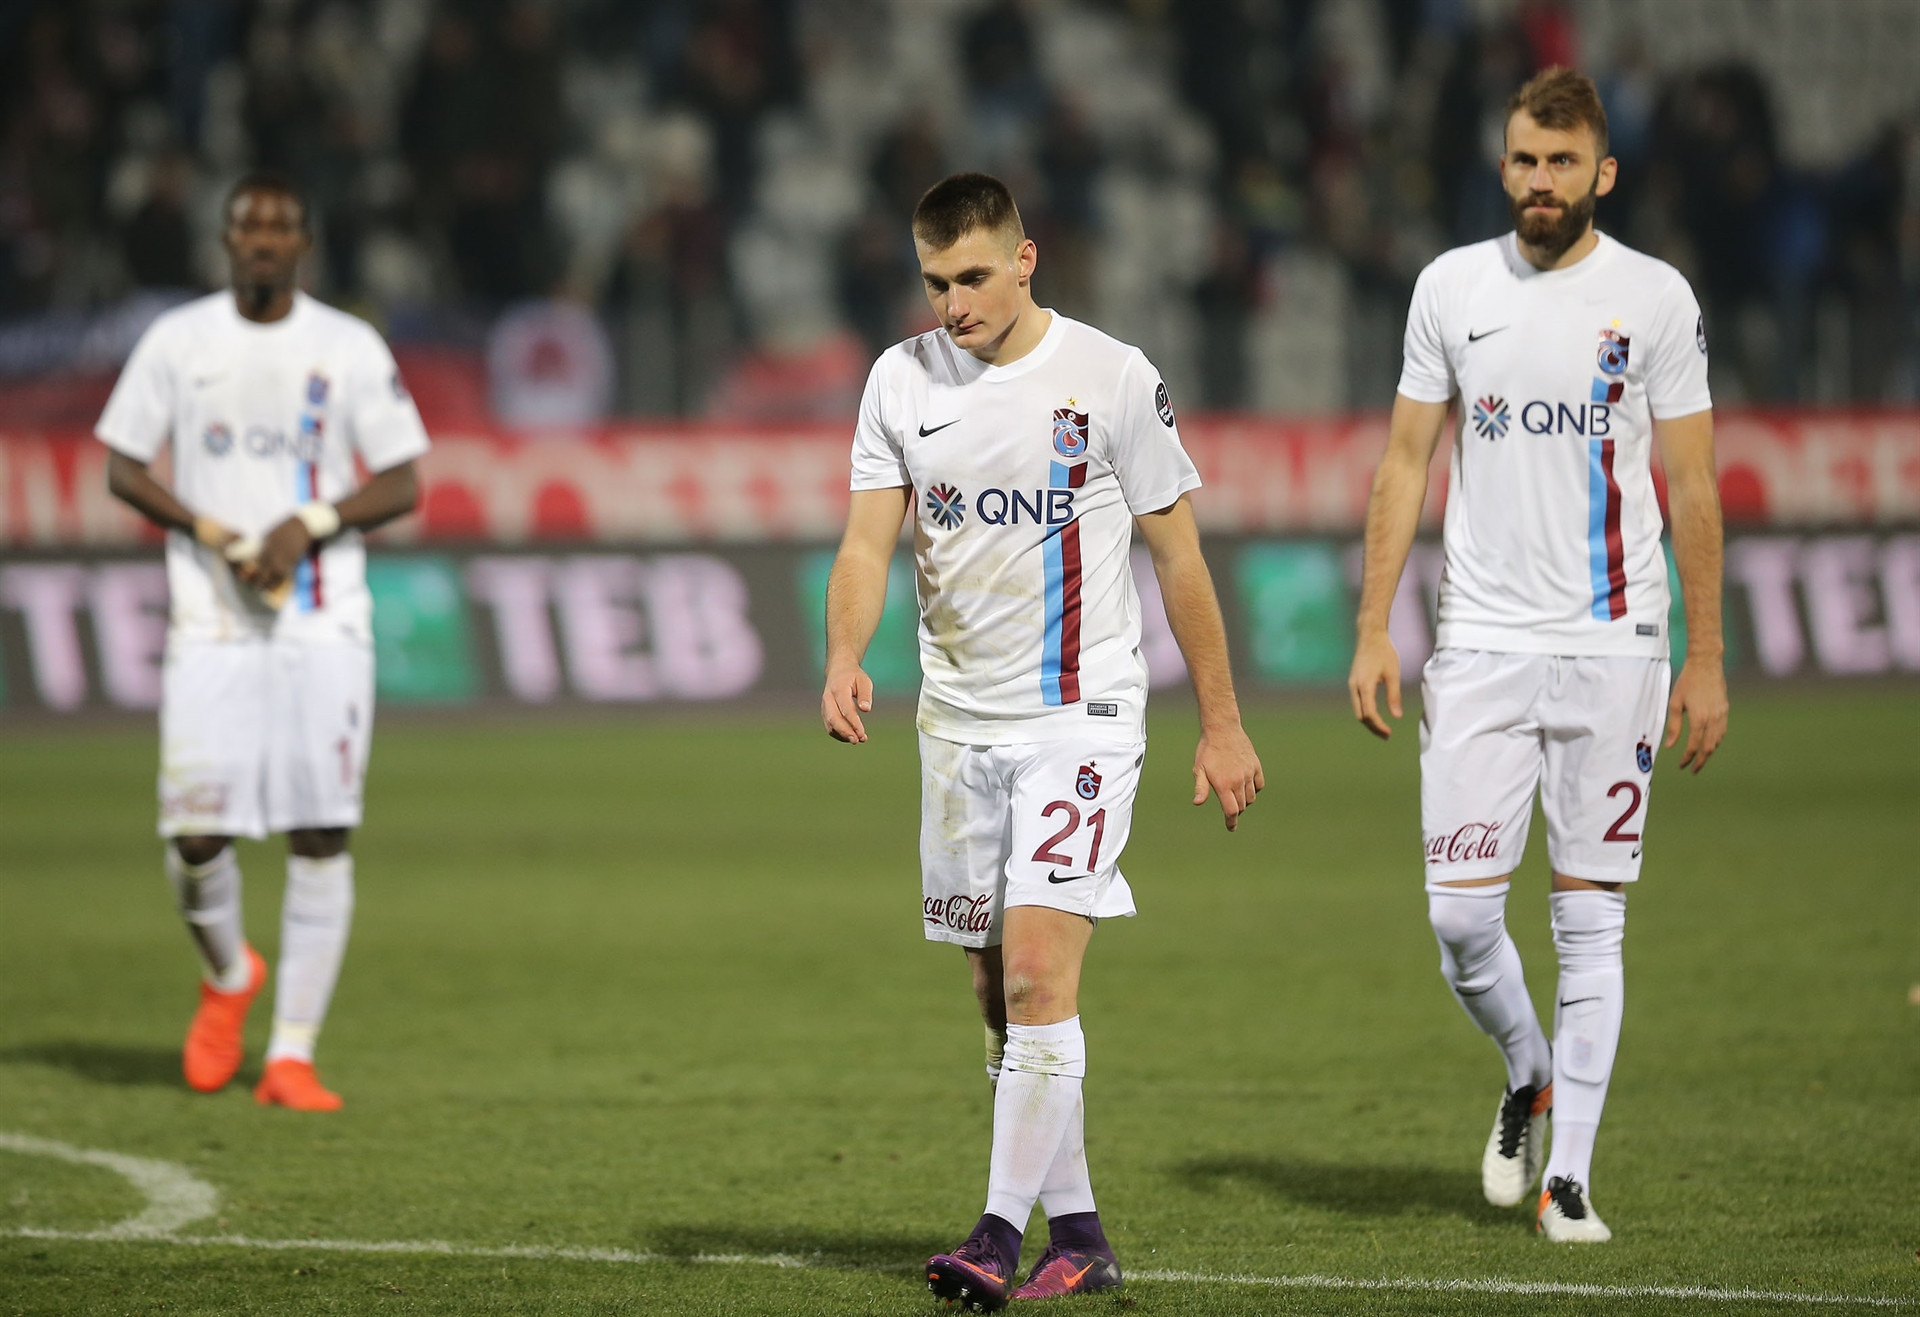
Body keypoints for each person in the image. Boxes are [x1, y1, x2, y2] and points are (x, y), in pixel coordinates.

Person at [821, 173, 1263, 1309]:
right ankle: (1082, 1234)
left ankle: (994, 1235)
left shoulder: (1110, 377)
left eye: (974, 276)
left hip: (1081, 716)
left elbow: (1179, 557)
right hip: (956, 725)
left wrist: (1221, 723)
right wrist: (844, 653)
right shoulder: (900, 380)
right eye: (935, 282)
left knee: (1034, 971)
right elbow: (867, 544)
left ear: (1026, 260)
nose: (954, 304)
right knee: (995, 992)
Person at [1348, 68, 1728, 1243]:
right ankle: (1530, 1069)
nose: (1542, 180)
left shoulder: (1655, 298)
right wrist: (1373, 624)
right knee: (1461, 923)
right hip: (1481, 644)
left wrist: (1707, 657)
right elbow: (1405, 460)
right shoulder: (1451, 288)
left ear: (1602, 173)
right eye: (1526, 160)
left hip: (1617, 643)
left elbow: (1693, 484)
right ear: (1503, 165)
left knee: (1590, 919)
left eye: (1563, 162)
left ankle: (1570, 1180)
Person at [98, 173, 430, 1112]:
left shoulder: (346, 344)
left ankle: (291, 1054)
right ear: (226, 239)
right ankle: (229, 972)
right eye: (249, 226)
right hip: (211, 621)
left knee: (319, 831)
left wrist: (307, 523)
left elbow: (402, 480)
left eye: (281, 227)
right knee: (196, 834)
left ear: (304, 243)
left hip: (323, 622)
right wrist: (211, 531)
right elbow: (124, 466)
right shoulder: (178, 340)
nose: (263, 241)